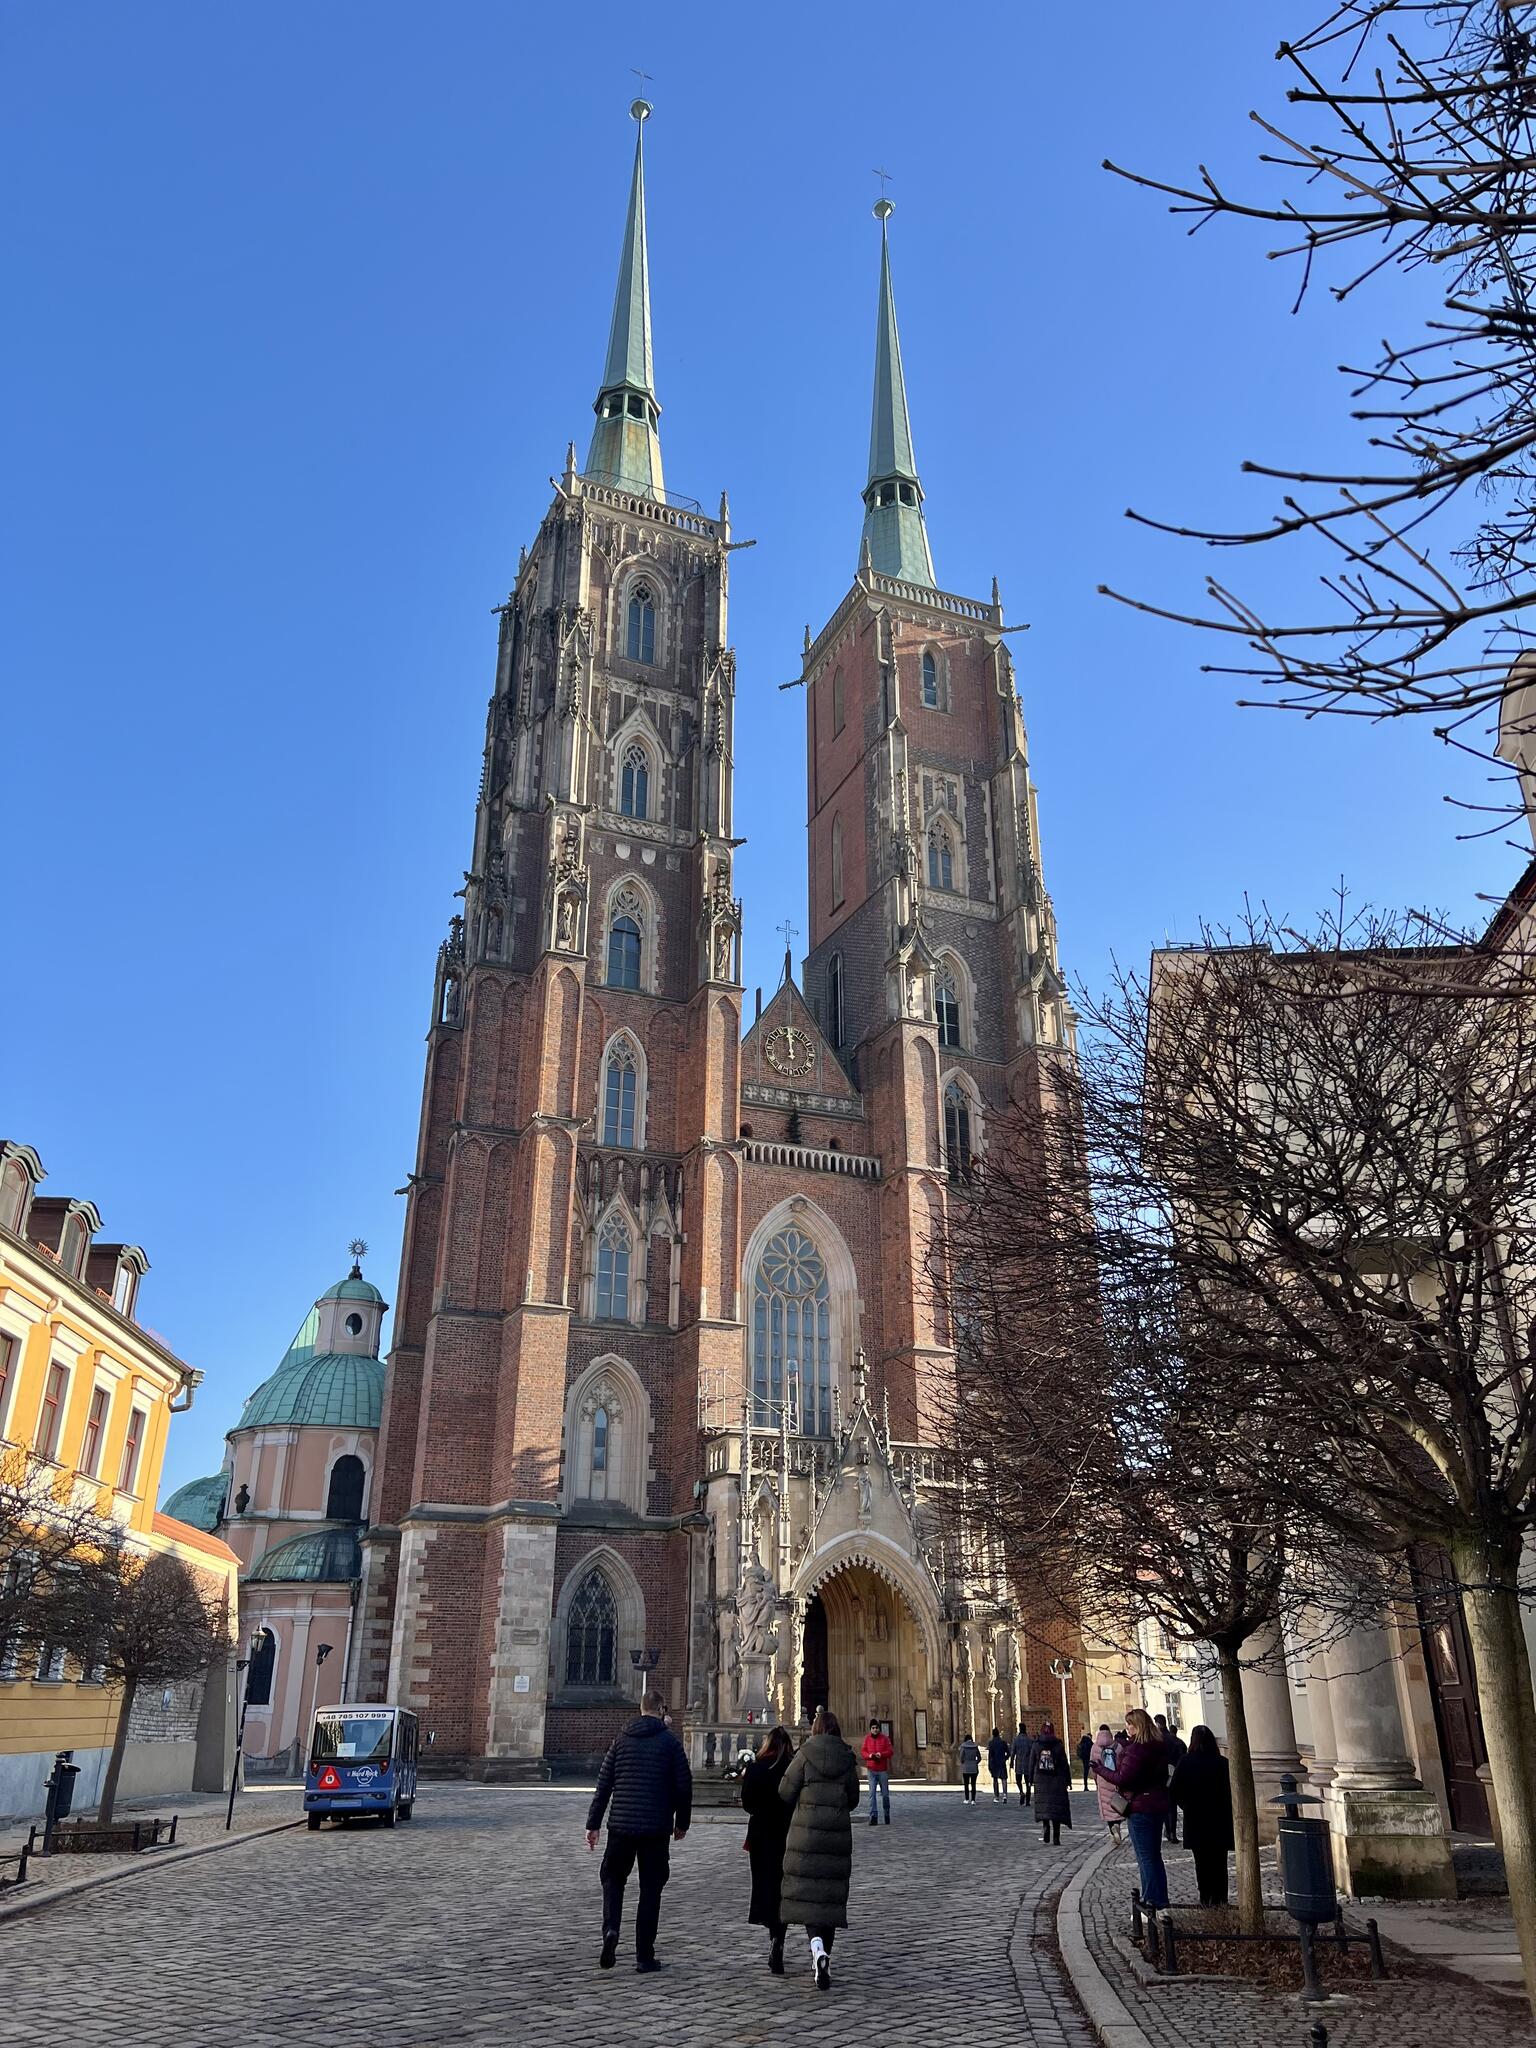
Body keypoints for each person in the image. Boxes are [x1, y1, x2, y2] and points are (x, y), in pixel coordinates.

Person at [586, 1686, 693, 1973]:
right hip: (656, 1828)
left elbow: (604, 1784)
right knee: (650, 1890)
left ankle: (611, 1930)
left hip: (621, 1825)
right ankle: (644, 1956)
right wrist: (682, 1822)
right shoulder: (670, 1743)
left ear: (640, 1709)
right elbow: (684, 1785)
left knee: (612, 1880)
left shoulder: (621, 1740)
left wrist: (593, 1824)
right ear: (660, 1711)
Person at [779, 1707, 861, 1991]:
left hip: (806, 1837)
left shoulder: (804, 1754)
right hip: (836, 1838)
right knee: (830, 1899)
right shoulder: (847, 1758)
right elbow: (853, 1800)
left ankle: (816, 1949)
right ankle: (826, 1952)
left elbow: (785, 1791)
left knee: (808, 1898)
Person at [1093, 1707, 1171, 1909]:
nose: (1127, 1728)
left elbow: (1123, 1778)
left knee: (1146, 1858)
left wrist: (1100, 1769)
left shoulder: (1137, 1749)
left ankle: (1151, 1901)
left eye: (1130, 1724)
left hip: (1141, 1807)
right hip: (1158, 1804)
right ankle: (1160, 1899)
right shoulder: (1159, 1746)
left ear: (1138, 1726)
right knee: (1155, 1856)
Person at [741, 1724, 796, 1973]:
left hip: (761, 1836)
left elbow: (748, 1803)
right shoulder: (793, 1768)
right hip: (788, 1835)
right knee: (783, 1887)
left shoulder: (756, 1767)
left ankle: (774, 1935)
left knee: (766, 1886)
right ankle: (779, 1935)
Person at [1169, 1725, 1234, 1906]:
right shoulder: (1222, 1763)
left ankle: (1205, 1898)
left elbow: (1174, 1790)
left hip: (1196, 1819)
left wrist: (1187, 1805)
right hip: (1219, 1819)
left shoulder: (1186, 1761)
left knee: (1202, 1863)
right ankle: (1220, 1899)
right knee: (1220, 1863)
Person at [1031, 1720, 1073, 1845]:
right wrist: (1068, 1780)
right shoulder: (1058, 1745)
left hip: (1041, 1780)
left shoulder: (1036, 1745)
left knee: (1044, 1807)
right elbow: (1064, 1764)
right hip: (1057, 1779)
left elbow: (1032, 1763)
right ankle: (1056, 1836)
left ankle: (1045, 1827)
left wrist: (1029, 1779)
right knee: (1056, 1808)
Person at [1155, 1715, 1189, 1843]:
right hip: (1175, 1775)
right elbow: (1183, 1758)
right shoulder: (1177, 1741)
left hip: (1162, 1777)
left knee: (1165, 1805)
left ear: (1158, 1724)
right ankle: (1173, 1833)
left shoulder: (1157, 1740)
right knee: (1172, 1805)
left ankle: (1168, 1831)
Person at [1090, 1723, 1125, 1843]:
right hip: (1115, 1779)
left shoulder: (1095, 1747)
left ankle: (1112, 1829)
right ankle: (1117, 1825)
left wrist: (1095, 1779)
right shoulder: (1118, 1746)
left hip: (1102, 1779)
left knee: (1106, 1807)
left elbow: (1092, 1766)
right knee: (1117, 1805)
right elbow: (1122, 1764)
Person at [860, 1719, 893, 1826]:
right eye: (873, 1728)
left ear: (879, 1728)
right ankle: (873, 1816)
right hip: (871, 1770)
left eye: (876, 1728)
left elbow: (890, 1751)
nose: (875, 1730)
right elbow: (863, 1751)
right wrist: (869, 1756)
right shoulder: (867, 1739)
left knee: (885, 1795)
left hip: (882, 1770)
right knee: (872, 1794)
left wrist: (881, 1754)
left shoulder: (884, 1738)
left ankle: (886, 1813)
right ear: (870, 1729)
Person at [1010, 1724, 1034, 1807]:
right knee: (1028, 1782)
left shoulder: (1016, 1740)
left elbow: (1013, 1752)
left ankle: (1021, 1792)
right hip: (1027, 1763)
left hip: (1019, 1763)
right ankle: (1027, 1800)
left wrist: (1011, 1762)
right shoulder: (1029, 1740)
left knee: (1018, 1781)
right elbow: (1032, 1753)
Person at [986, 1727, 1010, 1804]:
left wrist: (989, 1764)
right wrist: (1004, 1759)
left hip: (994, 1763)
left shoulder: (991, 1743)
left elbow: (990, 1755)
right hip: (1002, 1762)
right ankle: (1005, 1795)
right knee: (1004, 1779)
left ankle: (996, 1796)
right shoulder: (1003, 1742)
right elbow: (1008, 1753)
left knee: (995, 1779)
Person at [958, 1732, 981, 1803]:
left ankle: (967, 1799)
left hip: (966, 1768)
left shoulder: (963, 1746)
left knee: (966, 1784)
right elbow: (979, 1757)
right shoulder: (975, 1746)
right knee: (973, 1784)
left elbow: (961, 1757)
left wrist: (964, 1762)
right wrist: (975, 1762)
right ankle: (973, 1800)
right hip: (974, 1767)